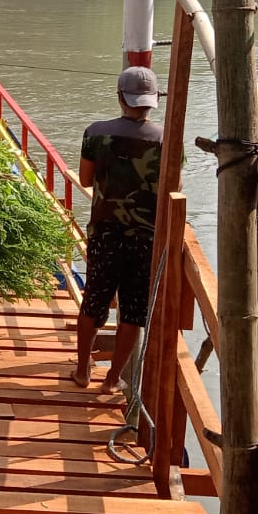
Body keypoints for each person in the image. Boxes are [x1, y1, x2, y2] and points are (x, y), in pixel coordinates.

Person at [71, 66, 164, 390]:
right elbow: (173, 188)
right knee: (133, 311)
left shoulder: (96, 133)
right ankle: (112, 380)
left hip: (105, 233)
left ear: (121, 97)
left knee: (94, 301)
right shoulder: (166, 139)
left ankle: (82, 371)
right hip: (146, 239)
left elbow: (85, 179)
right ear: (152, 100)